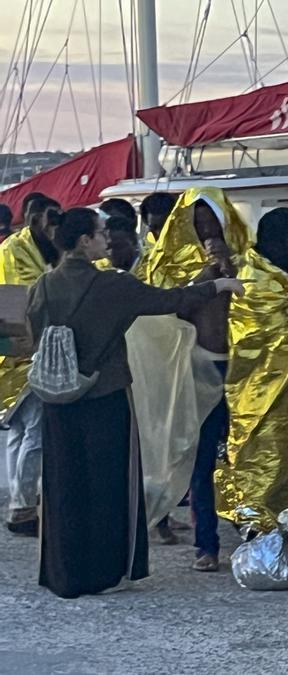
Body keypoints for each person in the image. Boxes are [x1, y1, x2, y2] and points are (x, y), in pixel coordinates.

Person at [27, 207, 243, 598]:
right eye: (100, 233)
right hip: (104, 396)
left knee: (64, 485)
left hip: (56, 401)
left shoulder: (42, 286)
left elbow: (35, 333)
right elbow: (170, 300)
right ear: (84, 242)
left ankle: (65, 573)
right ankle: (106, 572)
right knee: (109, 487)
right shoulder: (112, 285)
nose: (107, 238)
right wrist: (218, 285)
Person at [140, 187, 250, 572]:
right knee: (201, 460)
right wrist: (209, 275)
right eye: (197, 223)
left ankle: (258, 534)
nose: (206, 230)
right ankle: (207, 544)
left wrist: (235, 272)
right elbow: (167, 310)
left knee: (246, 455)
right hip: (199, 368)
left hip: (245, 370)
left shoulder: (250, 260)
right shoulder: (174, 264)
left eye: (212, 222)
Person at [215, 207, 288, 535]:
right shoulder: (252, 280)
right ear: (275, 242)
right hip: (261, 394)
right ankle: (259, 532)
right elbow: (261, 338)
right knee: (261, 460)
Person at [0, 193, 60, 535]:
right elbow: (34, 293)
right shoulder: (15, 249)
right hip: (23, 352)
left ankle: (20, 501)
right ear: (36, 217)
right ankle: (22, 508)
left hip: (21, 351)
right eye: (52, 220)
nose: (56, 228)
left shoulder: (32, 247)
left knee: (20, 433)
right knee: (34, 431)